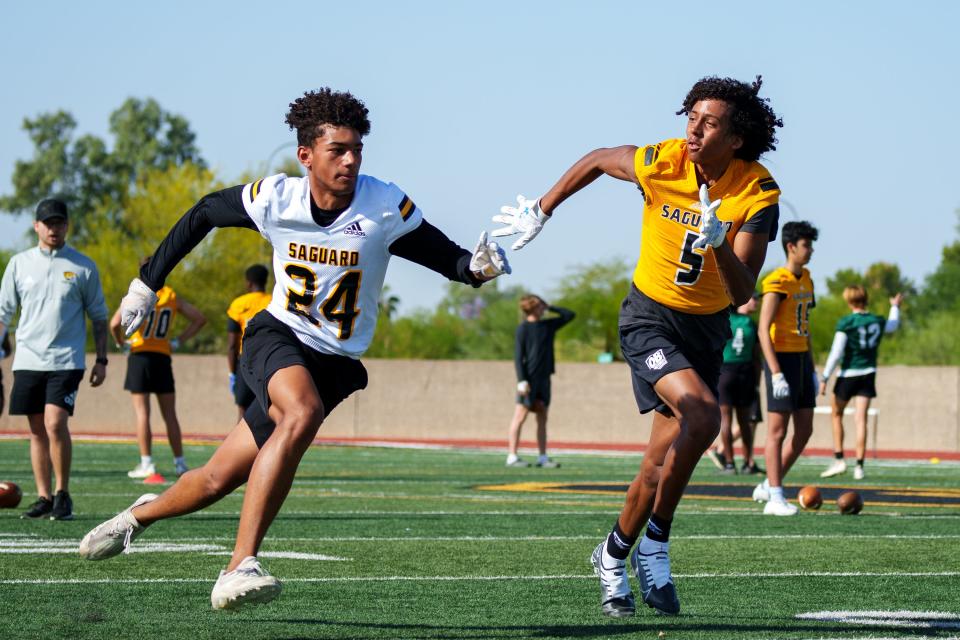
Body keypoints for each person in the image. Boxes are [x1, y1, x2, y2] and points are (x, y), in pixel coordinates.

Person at [79, 88, 510, 610]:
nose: (351, 159)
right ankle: (239, 566)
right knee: (299, 413)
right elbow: (203, 214)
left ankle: (136, 518)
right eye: (338, 150)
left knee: (218, 477)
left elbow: (453, 261)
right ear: (306, 155)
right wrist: (146, 285)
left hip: (334, 362)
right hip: (277, 336)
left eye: (357, 149)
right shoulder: (275, 198)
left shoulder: (384, 205)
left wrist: (480, 267)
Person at [492, 76, 781, 616]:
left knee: (655, 466)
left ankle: (612, 551)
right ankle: (657, 543)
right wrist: (543, 206)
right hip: (649, 318)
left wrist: (719, 244)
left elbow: (744, 291)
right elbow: (601, 159)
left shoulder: (757, 192)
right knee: (703, 415)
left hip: (706, 328)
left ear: (736, 138)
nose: (693, 129)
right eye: (690, 116)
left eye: (709, 122)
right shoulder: (663, 161)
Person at [0, 199, 109, 521]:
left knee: (55, 423)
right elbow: (3, 314)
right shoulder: (19, 264)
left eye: (59, 223)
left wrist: (101, 359)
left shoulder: (83, 266)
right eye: (48, 223)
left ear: (67, 226)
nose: (54, 229)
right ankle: (44, 496)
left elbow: (99, 317)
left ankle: (63, 494)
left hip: (66, 359)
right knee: (36, 430)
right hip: (28, 359)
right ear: (36, 226)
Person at [109, 258, 207, 479]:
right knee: (170, 414)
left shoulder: (137, 294)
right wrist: (178, 341)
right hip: (162, 357)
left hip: (140, 356)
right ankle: (180, 463)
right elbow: (199, 319)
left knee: (143, 413)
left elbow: (114, 324)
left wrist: (120, 343)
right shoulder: (171, 295)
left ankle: (147, 463)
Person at [752, 221, 819, 516]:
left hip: (802, 359)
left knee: (804, 431)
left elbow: (807, 328)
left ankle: (770, 483)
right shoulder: (776, 281)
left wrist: (814, 368)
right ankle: (775, 497)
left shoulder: (807, 278)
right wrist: (775, 372)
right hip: (781, 359)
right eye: (806, 245)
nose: (811, 250)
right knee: (777, 431)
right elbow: (763, 329)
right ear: (791, 246)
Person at [819, 287, 903, 480]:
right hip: (868, 373)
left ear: (849, 302)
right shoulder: (876, 320)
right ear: (866, 300)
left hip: (849, 374)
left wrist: (825, 377)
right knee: (861, 419)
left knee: (836, 414)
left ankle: (839, 459)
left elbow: (836, 352)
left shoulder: (847, 322)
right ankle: (859, 466)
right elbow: (893, 325)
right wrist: (895, 307)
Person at [505, 295, 575, 468]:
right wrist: (521, 380)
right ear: (533, 308)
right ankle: (512, 456)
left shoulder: (547, 325)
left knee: (542, 416)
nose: (543, 309)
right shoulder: (523, 329)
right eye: (540, 306)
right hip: (528, 380)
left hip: (544, 379)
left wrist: (550, 306)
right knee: (520, 416)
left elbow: (569, 315)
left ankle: (542, 457)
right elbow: (518, 357)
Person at [711, 293, 764, 474]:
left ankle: (729, 463)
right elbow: (757, 357)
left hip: (725, 372)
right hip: (746, 372)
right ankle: (748, 462)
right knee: (745, 421)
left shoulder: (723, 320)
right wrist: (757, 384)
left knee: (726, 419)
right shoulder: (750, 322)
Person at [226, 264, 272, 419]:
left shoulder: (239, 304)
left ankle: (242, 443)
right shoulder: (274, 302)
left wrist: (232, 373)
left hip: (246, 363)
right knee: (269, 412)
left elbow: (232, 345)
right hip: (270, 362)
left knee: (243, 413)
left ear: (249, 283)